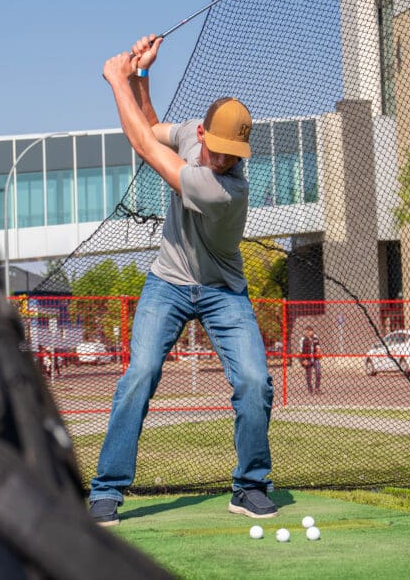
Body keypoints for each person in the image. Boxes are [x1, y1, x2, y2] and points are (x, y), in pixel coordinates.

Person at [88, 34, 277, 527]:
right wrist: (145, 75)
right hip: (167, 282)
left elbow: (141, 143)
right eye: (218, 147)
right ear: (203, 132)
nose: (224, 158)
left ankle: (251, 486)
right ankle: (106, 490)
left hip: (223, 292)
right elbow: (153, 126)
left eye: (234, 153)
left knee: (255, 382)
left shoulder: (225, 192)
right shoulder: (193, 135)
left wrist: (117, 79)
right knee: (140, 375)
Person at [299, 326, 322, 393]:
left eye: (312, 331)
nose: (312, 332)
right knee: (309, 374)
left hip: (315, 358)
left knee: (318, 372)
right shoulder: (303, 339)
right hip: (307, 358)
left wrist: (318, 350)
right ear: (307, 332)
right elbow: (301, 351)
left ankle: (317, 388)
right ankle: (310, 388)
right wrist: (303, 360)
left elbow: (318, 345)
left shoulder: (315, 337)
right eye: (310, 331)